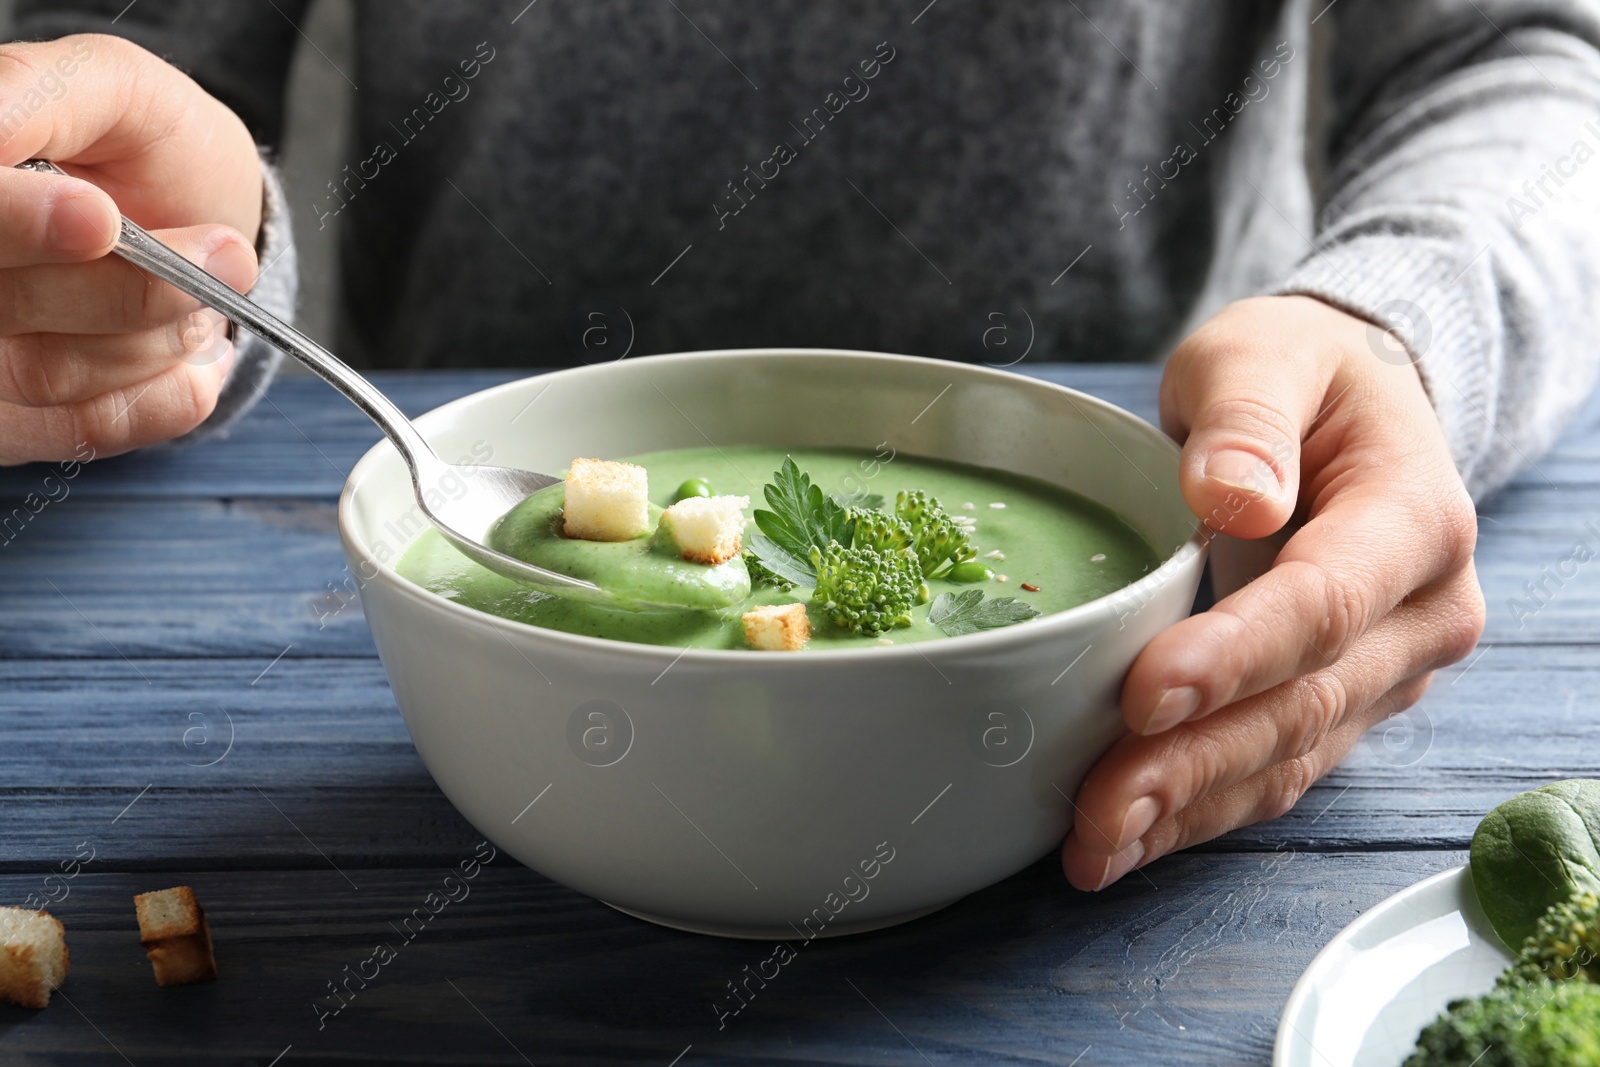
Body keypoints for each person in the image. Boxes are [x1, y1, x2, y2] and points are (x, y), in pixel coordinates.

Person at [2, 0, 1591, 892]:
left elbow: (1523, 54)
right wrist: (173, 262)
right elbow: (135, 53)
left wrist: (1392, 322)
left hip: (1146, 488)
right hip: (450, 437)